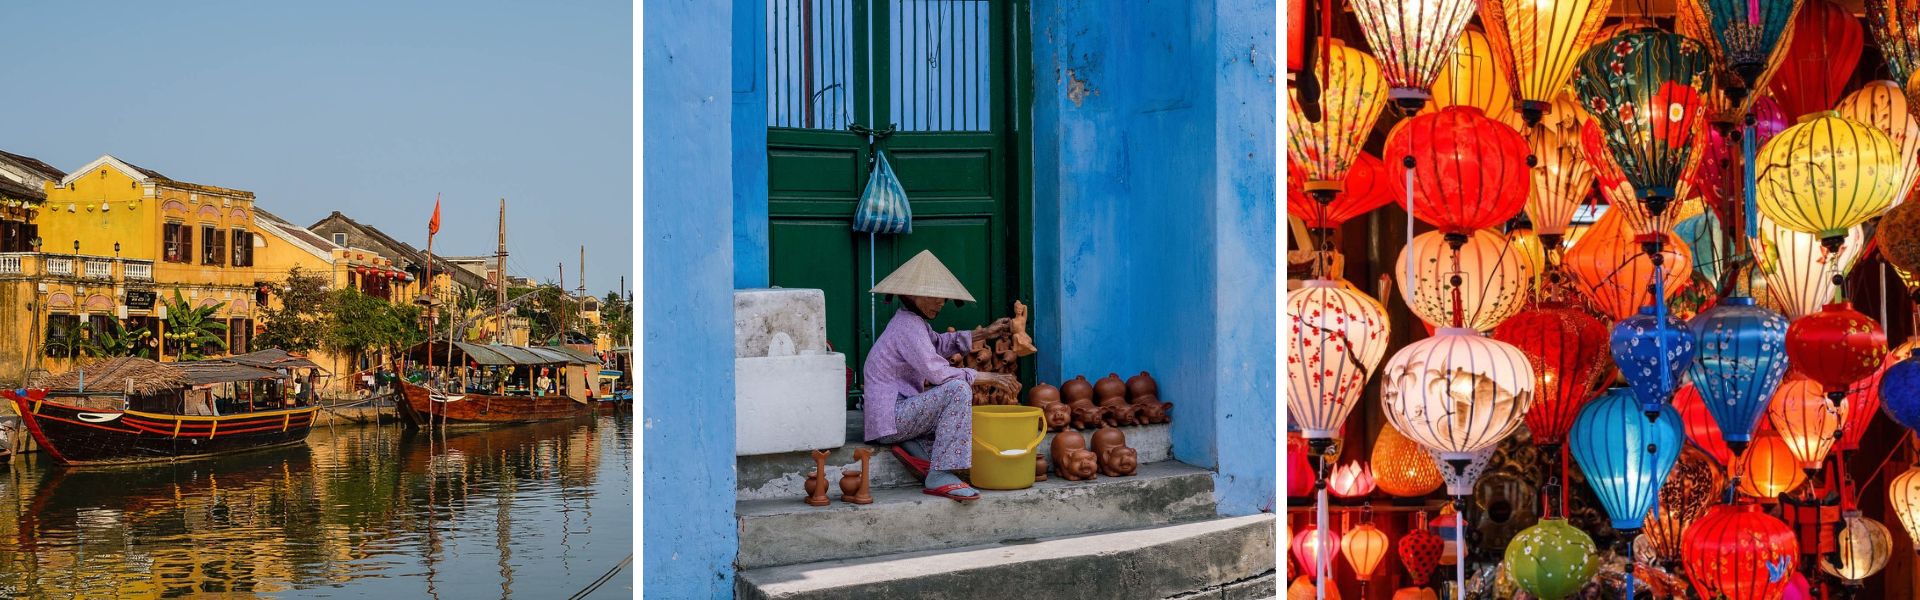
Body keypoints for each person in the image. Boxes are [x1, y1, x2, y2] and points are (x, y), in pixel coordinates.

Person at [862, 250, 1017, 502]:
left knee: (953, 393)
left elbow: (940, 344)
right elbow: (938, 373)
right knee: (957, 390)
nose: (940, 303)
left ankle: (918, 448)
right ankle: (940, 474)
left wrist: (985, 333)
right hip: (891, 419)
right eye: (933, 296)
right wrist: (991, 377)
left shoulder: (913, 323)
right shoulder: (907, 327)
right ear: (911, 294)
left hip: (893, 417)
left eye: (943, 298)